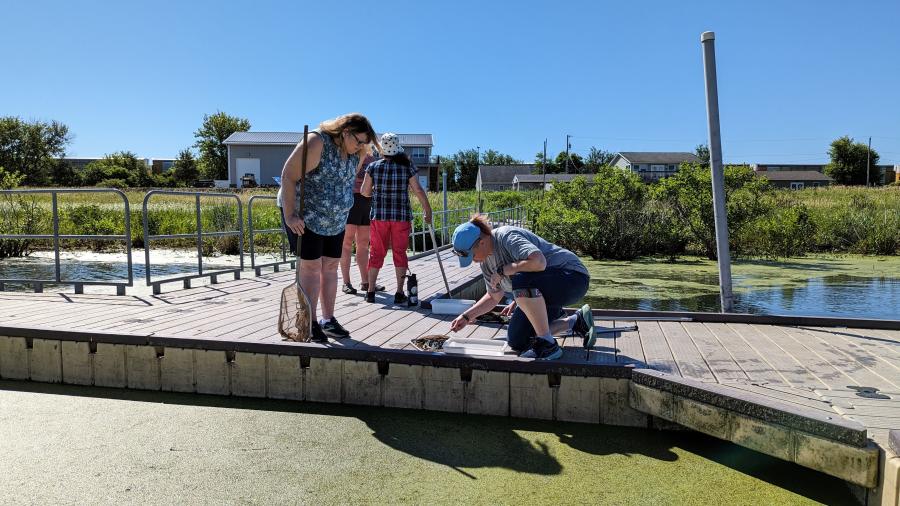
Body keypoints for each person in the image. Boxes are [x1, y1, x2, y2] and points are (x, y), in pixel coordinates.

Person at [278, 113, 379, 342]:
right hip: (306, 216)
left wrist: (340, 210)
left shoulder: (358, 153)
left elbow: (343, 183)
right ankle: (309, 321)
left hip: (335, 220)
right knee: (311, 268)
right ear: (345, 132)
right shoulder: (316, 142)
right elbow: (288, 176)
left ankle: (328, 320)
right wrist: (290, 215)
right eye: (359, 141)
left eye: (365, 143)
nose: (362, 146)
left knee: (331, 266)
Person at [448, 215, 596, 360]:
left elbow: (539, 263)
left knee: (521, 279)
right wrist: (467, 316)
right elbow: (494, 297)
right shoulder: (485, 262)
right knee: (517, 340)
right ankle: (576, 321)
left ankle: (548, 345)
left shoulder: (507, 237)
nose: (473, 261)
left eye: (471, 256)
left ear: (481, 242)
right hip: (542, 292)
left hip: (573, 278)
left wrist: (503, 270)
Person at [360, 132, 433, 304]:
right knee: (400, 253)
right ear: (398, 149)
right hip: (401, 217)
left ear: (382, 150)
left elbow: (364, 191)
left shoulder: (373, 167)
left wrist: (377, 191)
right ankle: (399, 292)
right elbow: (418, 190)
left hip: (379, 217)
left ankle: (370, 291)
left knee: (376, 253)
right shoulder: (407, 166)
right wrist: (427, 210)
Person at [339, 145, 384, 295]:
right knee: (346, 242)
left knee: (364, 244)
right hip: (350, 200)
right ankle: (346, 283)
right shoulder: (347, 154)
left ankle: (366, 282)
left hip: (366, 201)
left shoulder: (372, 159)